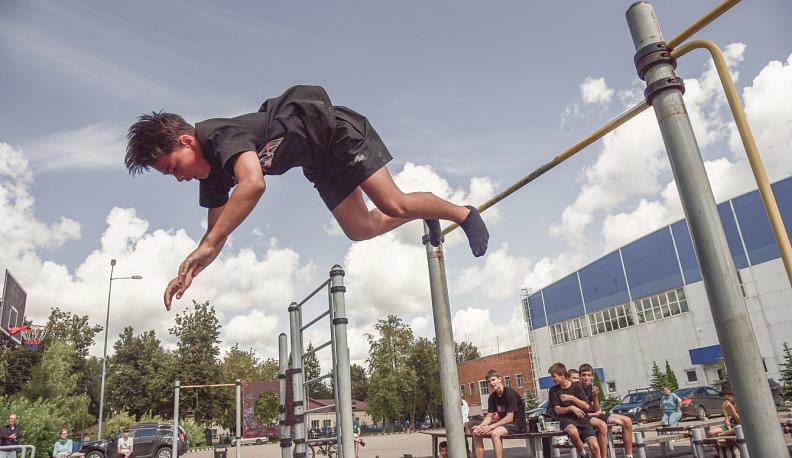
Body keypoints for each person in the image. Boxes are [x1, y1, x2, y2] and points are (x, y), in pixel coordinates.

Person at [125, 86, 490, 309]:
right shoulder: (212, 177)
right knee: (360, 228)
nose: (178, 177)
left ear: (187, 142)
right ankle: (425, 211)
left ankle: (461, 213)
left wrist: (207, 244)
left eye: (173, 167)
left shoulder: (218, 136)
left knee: (392, 204)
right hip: (318, 161)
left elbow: (252, 184)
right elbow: (217, 235)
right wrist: (192, 269)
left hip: (337, 132)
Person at [579, 364, 634, 458]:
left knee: (627, 421)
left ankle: (629, 455)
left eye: (589, 375)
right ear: (580, 376)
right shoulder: (576, 388)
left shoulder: (591, 388)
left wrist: (595, 396)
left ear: (592, 376)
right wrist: (596, 413)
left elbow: (597, 409)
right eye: (584, 375)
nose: (586, 378)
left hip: (595, 415)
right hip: (585, 418)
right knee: (602, 425)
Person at [547, 363, 600, 458]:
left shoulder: (576, 387)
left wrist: (572, 398)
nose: (552, 379)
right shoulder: (553, 391)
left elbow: (586, 406)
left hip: (582, 419)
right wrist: (571, 408)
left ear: (562, 375)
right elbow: (558, 410)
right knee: (573, 432)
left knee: (595, 446)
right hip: (566, 419)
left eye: (554, 376)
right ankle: (583, 453)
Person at [471, 370, 526, 458]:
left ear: (499, 379)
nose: (491, 383)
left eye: (493, 380)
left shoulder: (510, 394)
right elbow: (489, 417)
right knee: (477, 434)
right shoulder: (492, 397)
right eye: (489, 381)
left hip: (517, 424)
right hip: (504, 424)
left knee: (495, 433)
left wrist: (491, 427)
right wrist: (480, 427)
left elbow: (509, 418)